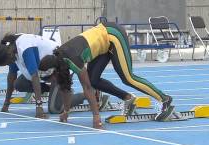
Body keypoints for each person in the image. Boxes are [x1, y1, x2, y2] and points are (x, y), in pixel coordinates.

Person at [39, 22, 174, 129]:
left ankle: (164, 99)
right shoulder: (60, 59)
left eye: (49, 79)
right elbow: (65, 87)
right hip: (102, 44)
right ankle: (127, 98)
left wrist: (96, 117)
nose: (51, 81)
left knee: (128, 78)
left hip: (112, 35)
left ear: (54, 71)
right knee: (94, 80)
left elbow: (87, 88)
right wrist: (66, 111)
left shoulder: (72, 59)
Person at [0, 33, 60, 118]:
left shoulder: (25, 48)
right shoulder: (10, 50)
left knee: (54, 108)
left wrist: (39, 106)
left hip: (59, 69)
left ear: (9, 54)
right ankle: (54, 90)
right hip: (45, 72)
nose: (10, 64)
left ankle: (76, 95)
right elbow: (12, 77)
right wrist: (6, 103)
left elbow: (35, 76)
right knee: (19, 84)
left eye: (8, 63)